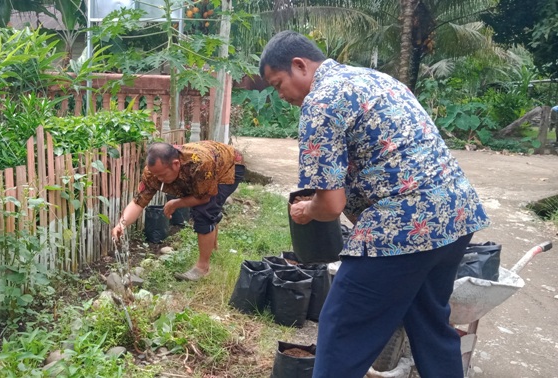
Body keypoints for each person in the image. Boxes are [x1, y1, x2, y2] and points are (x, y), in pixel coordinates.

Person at [259, 31, 490, 378]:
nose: (280, 94)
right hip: (455, 215)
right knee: (429, 323)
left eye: (278, 84)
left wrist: (306, 211)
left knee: (341, 328)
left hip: (403, 227)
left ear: (299, 65)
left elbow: (331, 205)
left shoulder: (321, 101)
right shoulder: (376, 78)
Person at [111, 141, 245, 281]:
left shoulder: (199, 163)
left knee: (205, 210)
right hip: (211, 164)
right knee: (208, 208)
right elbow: (138, 202)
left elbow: (204, 198)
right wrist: (122, 223)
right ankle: (211, 240)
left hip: (230, 166)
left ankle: (202, 268)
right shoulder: (153, 172)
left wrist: (176, 203)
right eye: (156, 175)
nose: (159, 179)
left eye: (162, 175)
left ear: (175, 164)